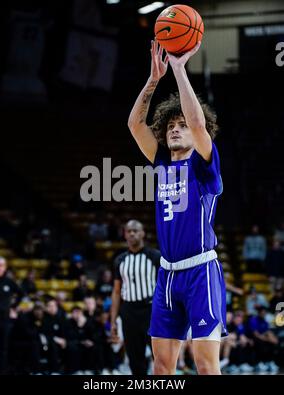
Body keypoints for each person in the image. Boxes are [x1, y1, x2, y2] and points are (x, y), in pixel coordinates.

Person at [128, 39, 227, 375]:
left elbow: (198, 125)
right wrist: (154, 79)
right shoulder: (161, 164)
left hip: (201, 272)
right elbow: (135, 126)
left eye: (180, 125)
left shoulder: (204, 165)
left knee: (204, 366)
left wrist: (180, 70)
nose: (175, 129)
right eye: (170, 126)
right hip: (168, 275)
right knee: (161, 367)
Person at [110, 220, 160, 375]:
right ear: (125, 234)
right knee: (134, 357)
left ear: (143, 233)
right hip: (129, 311)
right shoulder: (120, 260)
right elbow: (117, 291)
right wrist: (113, 320)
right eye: (129, 231)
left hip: (151, 310)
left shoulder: (155, 256)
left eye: (135, 230)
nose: (132, 233)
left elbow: (164, 286)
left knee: (158, 354)